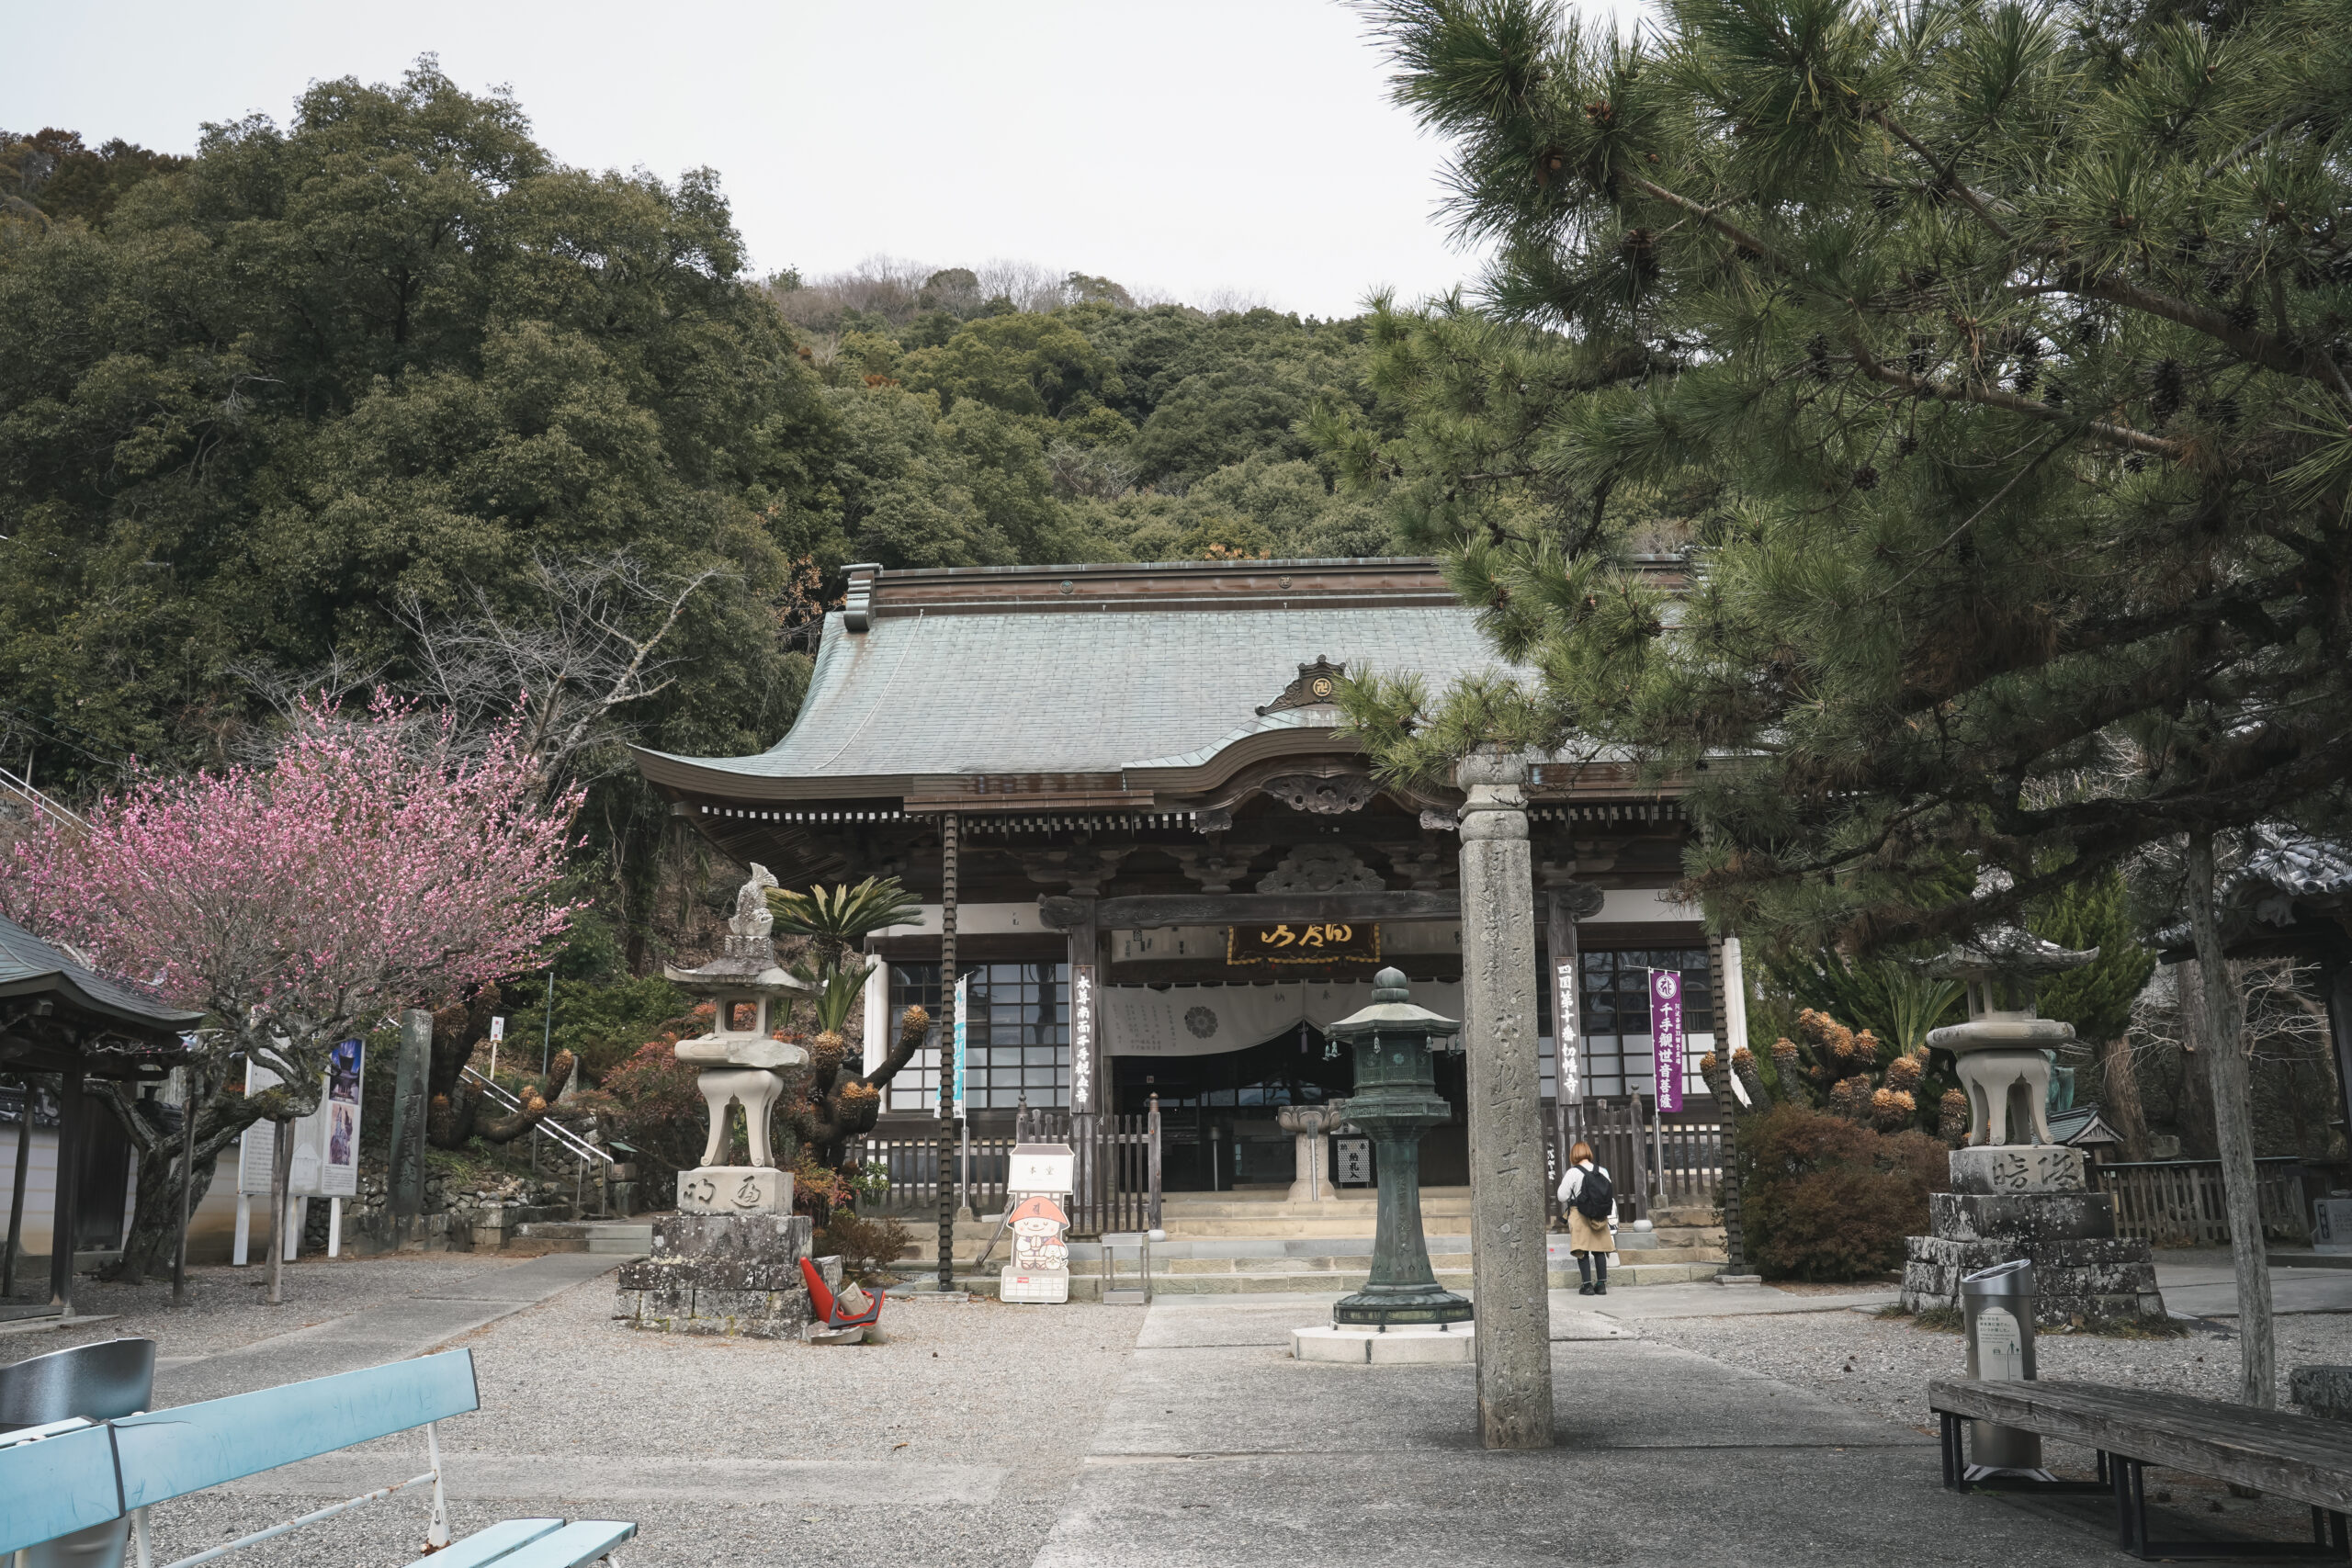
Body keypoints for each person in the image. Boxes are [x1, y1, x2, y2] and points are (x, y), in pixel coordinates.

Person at [1556, 1140, 1616, 1295]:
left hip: (1579, 1213)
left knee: (1582, 1249)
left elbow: (1562, 1196)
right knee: (1599, 1250)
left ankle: (1587, 1286)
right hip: (1599, 1214)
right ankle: (1601, 1285)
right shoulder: (1602, 1171)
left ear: (1573, 1155)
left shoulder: (1573, 1172)